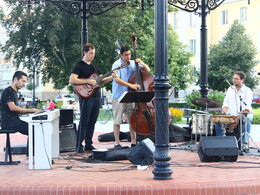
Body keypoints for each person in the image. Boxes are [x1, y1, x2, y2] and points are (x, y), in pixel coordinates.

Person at [69, 43, 117, 153]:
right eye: (91, 53)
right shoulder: (79, 65)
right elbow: (72, 80)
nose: (93, 55)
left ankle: (89, 144)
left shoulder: (94, 66)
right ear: (84, 52)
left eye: (94, 53)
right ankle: (79, 145)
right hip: (86, 96)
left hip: (96, 95)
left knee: (92, 121)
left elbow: (101, 80)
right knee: (84, 121)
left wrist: (111, 77)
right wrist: (87, 81)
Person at [111, 45, 151, 148]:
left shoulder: (133, 64)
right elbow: (117, 80)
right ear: (121, 55)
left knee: (132, 120)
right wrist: (131, 85)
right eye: (125, 55)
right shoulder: (117, 64)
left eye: (129, 54)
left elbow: (147, 70)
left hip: (131, 96)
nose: (128, 57)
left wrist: (141, 63)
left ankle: (133, 142)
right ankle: (117, 142)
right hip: (118, 96)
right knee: (117, 120)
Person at [215, 71, 253, 149]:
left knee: (247, 119)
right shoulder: (230, 89)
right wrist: (225, 108)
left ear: (242, 80)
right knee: (218, 121)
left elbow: (247, 108)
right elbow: (226, 102)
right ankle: (221, 142)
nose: (234, 80)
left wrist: (237, 119)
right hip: (231, 114)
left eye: (236, 79)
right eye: (233, 78)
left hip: (243, 114)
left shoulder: (247, 91)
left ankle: (244, 143)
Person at [0, 71, 41, 136]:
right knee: (34, 129)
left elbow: (17, 111)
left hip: (14, 122)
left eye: (25, 82)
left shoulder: (14, 92)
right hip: (9, 123)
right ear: (15, 79)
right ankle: (32, 146)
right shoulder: (8, 91)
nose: (24, 84)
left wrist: (32, 112)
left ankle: (31, 146)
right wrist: (31, 110)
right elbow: (13, 108)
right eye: (23, 81)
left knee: (34, 128)